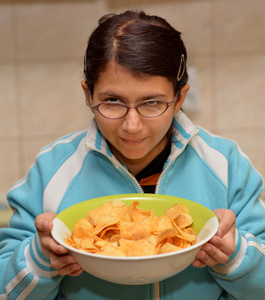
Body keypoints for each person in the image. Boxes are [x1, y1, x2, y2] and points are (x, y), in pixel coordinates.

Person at [0, 10, 264, 300]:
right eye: (112, 101)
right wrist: (40, 260)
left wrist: (237, 258)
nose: (132, 125)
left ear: (180, 99)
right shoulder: (51, 170)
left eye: (152, 103)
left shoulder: (226, 165)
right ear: (88, 95)